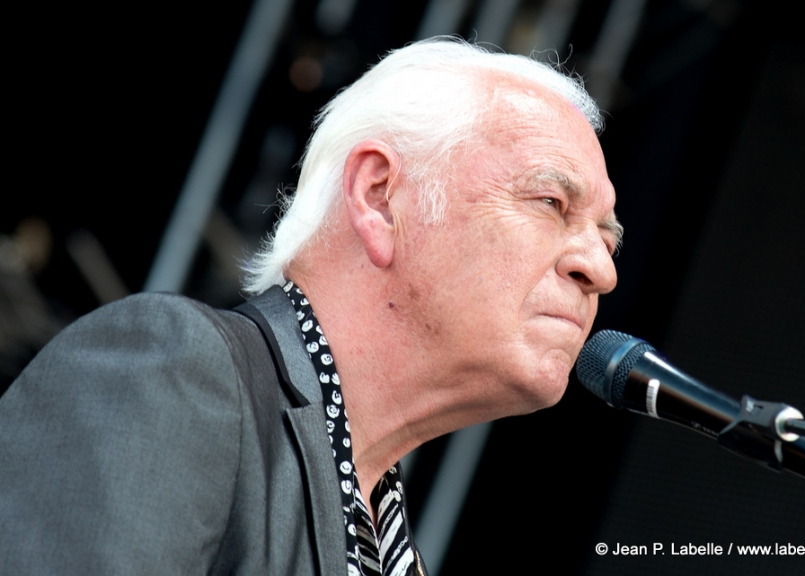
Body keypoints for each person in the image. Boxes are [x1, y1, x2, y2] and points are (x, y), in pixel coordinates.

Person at [0, 37, 621, 575]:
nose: (601, 268)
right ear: (379, 198)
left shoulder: (389, 540)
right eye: (550, 203)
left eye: (609, 234)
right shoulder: (173, 373)